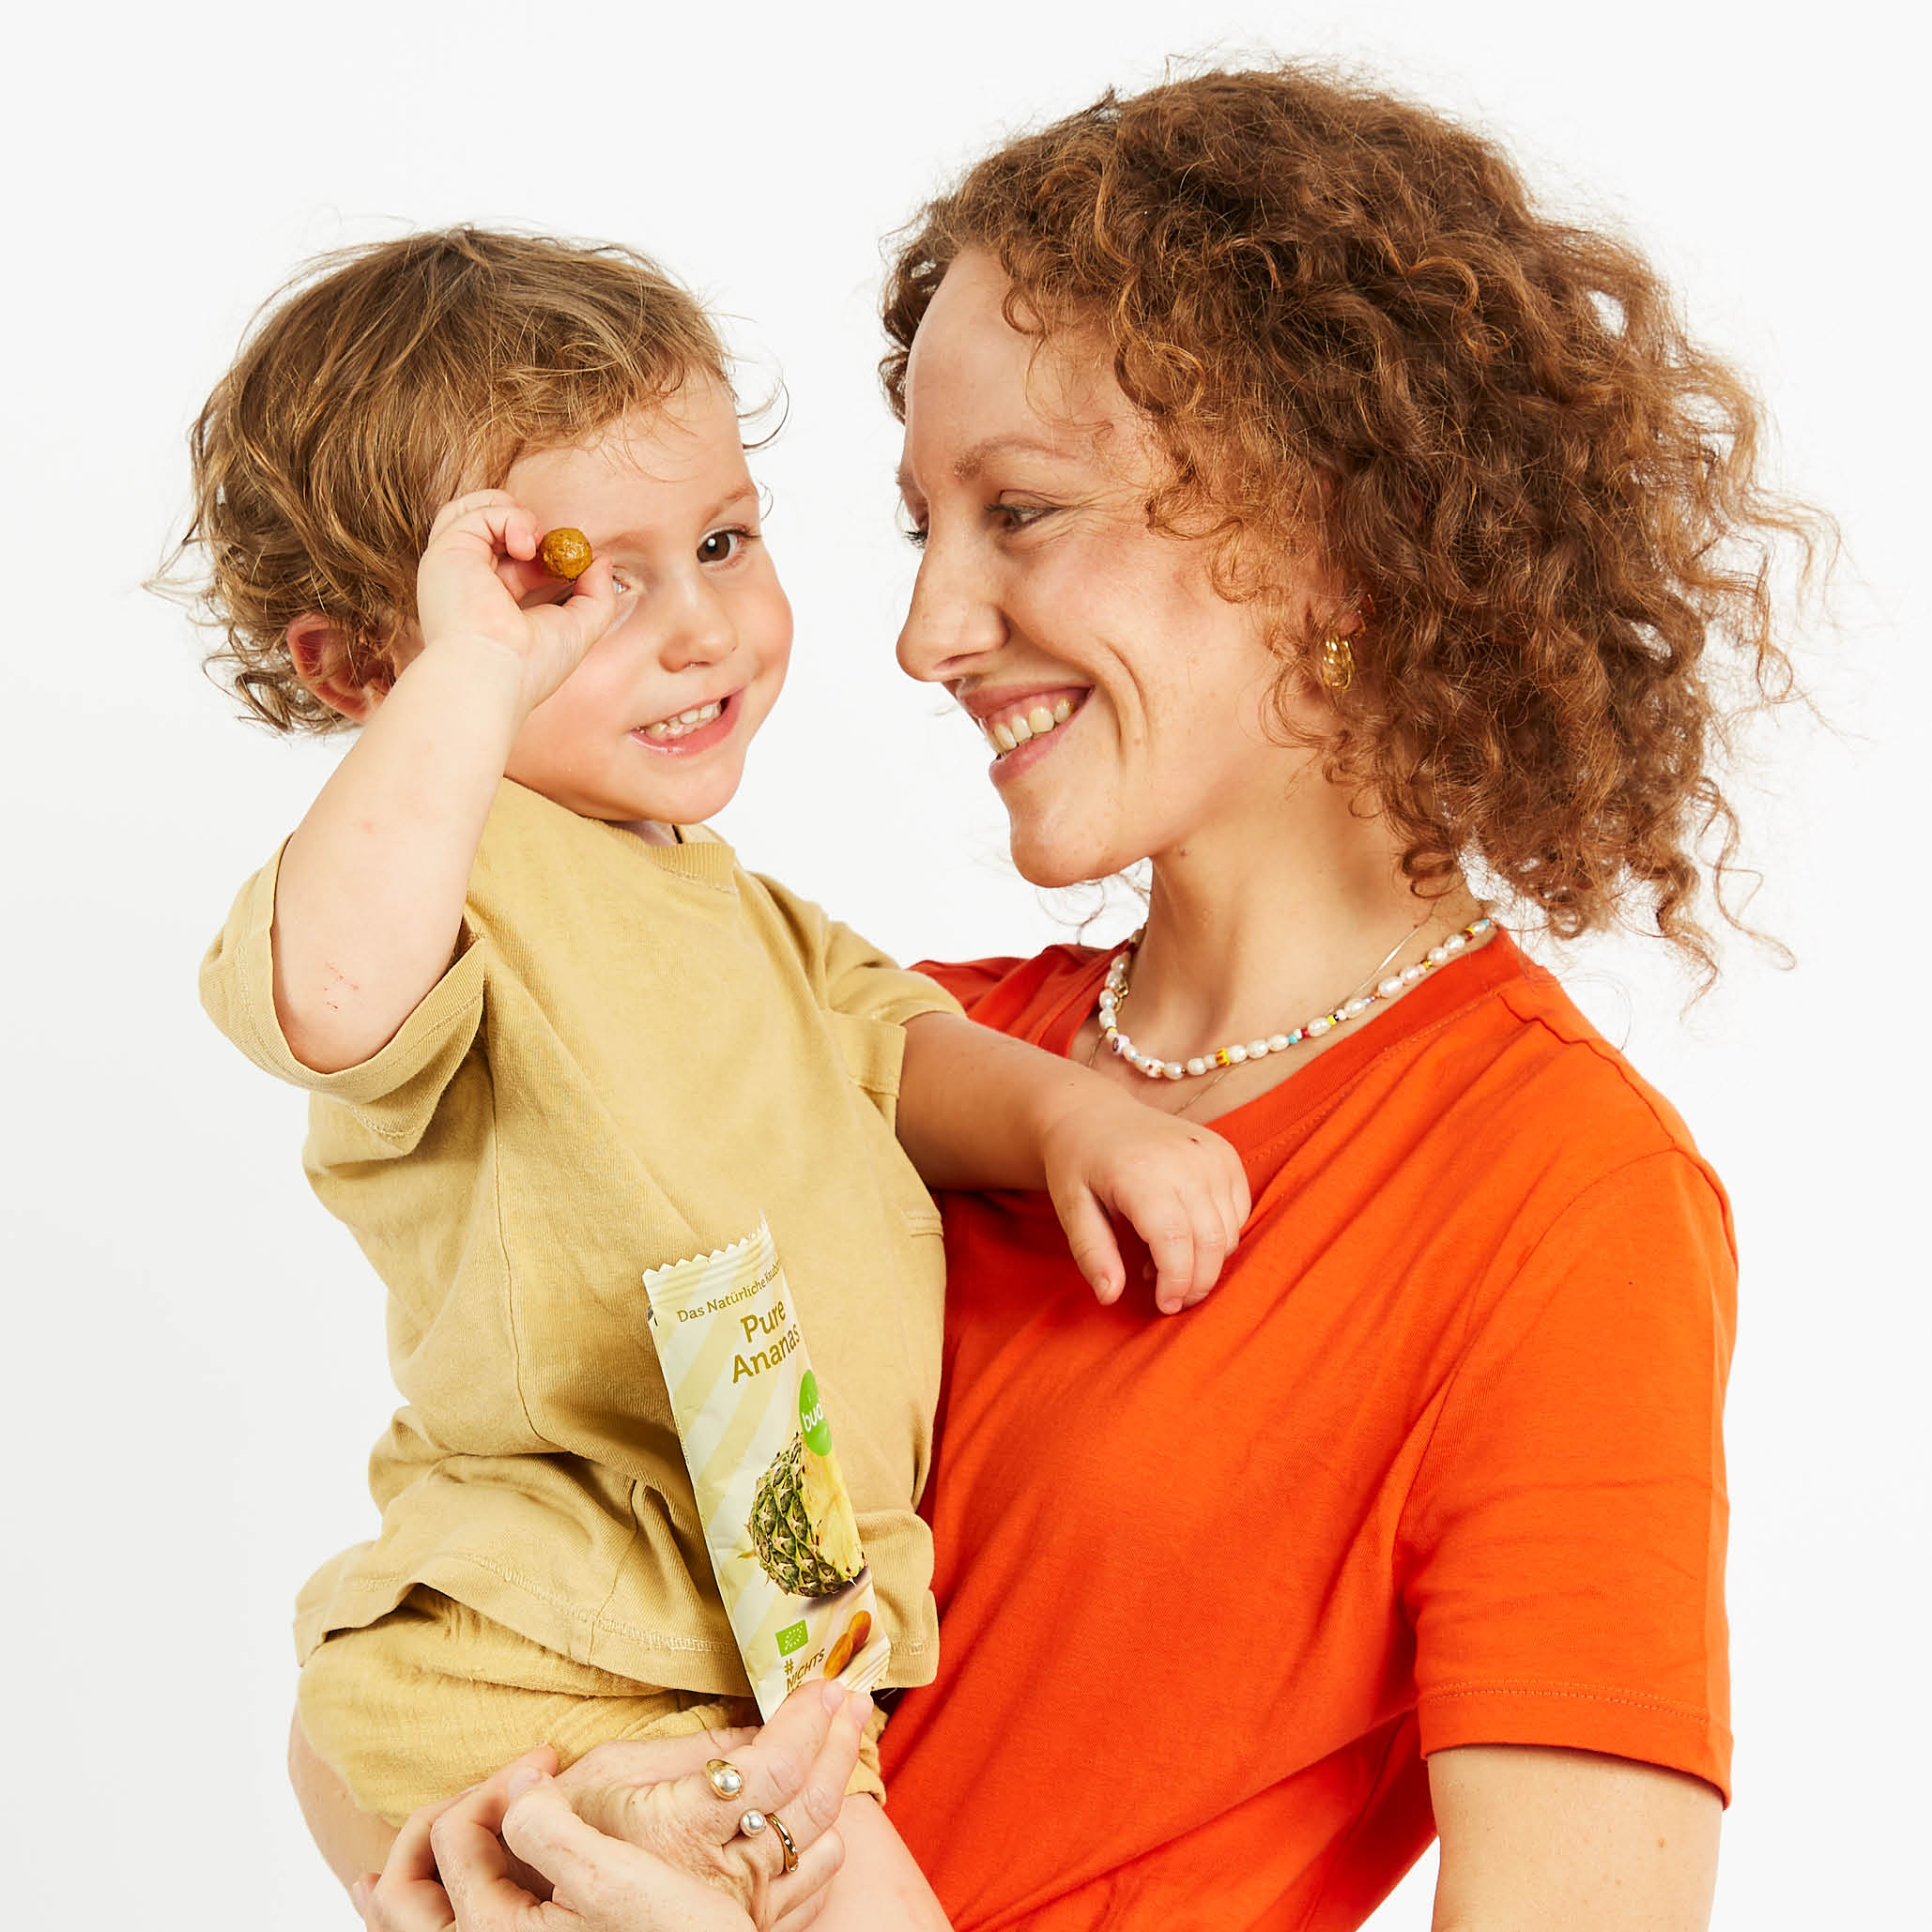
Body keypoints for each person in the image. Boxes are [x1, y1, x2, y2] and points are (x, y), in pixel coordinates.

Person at [361, 61, 1815, 1931]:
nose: (925, 632)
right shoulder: (884, 1045)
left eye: (1024, 511)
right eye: (922, 529)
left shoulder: (1554, 1197)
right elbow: (463, 1607)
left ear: (1331, 529)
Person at [184, 230, 1249, 1927]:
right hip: (545, 1644)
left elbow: (897, 1042)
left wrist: (1072, 1114)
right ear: (363, 670)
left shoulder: (737, 911)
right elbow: (326, 992)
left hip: (752, 1663)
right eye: (574, 587)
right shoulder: (445, 879)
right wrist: (466, 682)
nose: (697, 628)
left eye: (721, 542)